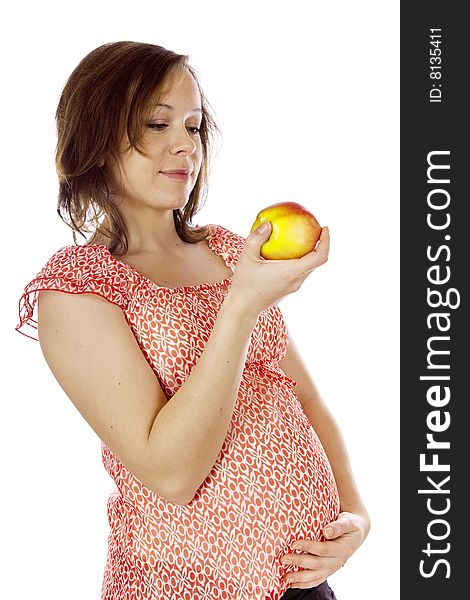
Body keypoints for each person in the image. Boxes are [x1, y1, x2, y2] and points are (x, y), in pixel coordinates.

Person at [15, 41, 370, 600]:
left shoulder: (234, 252)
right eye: (158, 124)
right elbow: (172, 475)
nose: (185, 144)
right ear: (96, 138)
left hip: (302, 583)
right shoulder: (77, 289)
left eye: (195, 125)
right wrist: (241, 307)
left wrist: (354, 515)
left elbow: (304, 400)